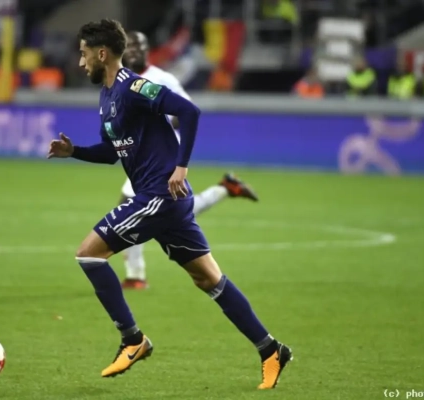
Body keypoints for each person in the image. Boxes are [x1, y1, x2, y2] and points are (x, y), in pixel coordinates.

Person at [48, 19, 292, 389]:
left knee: (89, 255)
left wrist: (181, 166)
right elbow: (113, 153)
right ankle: (271, 349)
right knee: (208, 279)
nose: (81, 62)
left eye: (84, 54)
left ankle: (132, 340)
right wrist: (75, 152)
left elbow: (190, 111)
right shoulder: (107, 96)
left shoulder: (133, 87)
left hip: (159, 196)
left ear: (102, 54)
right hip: (165, 202)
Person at [119, 31, 259, 290]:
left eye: (139, 45)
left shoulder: (162, 78)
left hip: (162, 154)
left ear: (148, 50)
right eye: (130, 46)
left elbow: (186, 111)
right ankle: (225, 189)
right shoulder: (123, 79)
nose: (134, 50)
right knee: (169, 209)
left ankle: (135, 276)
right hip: (142, 156)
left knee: (134, 207)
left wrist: (158, 119)